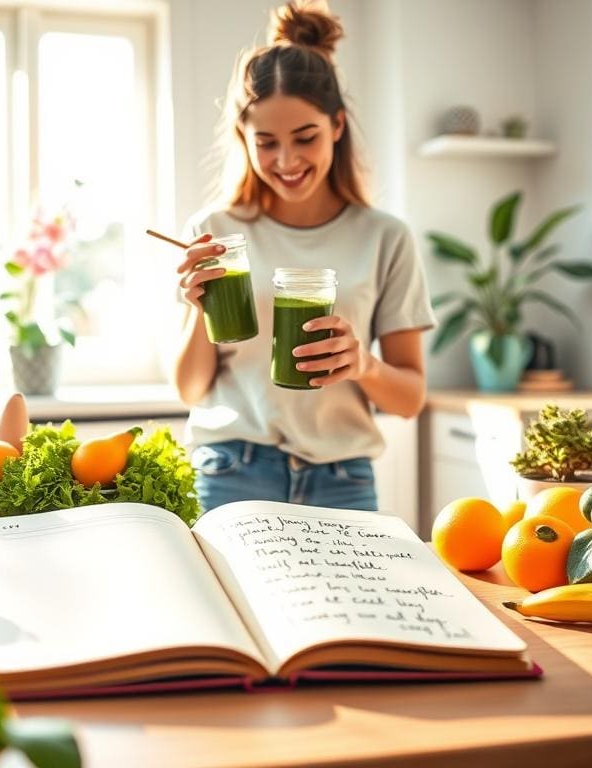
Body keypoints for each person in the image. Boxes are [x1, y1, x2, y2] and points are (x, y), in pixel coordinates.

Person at [172, 0, 435, 514]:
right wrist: (198, 309)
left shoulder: (385, 237)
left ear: (337, 126)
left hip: (343, 476)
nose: (286, 161)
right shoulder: (215, 233)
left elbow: (409, 399)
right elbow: (189, 388)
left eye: (305, 137)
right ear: (243, 140)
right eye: (266, 142)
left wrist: (362, 364)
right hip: (230, 469)